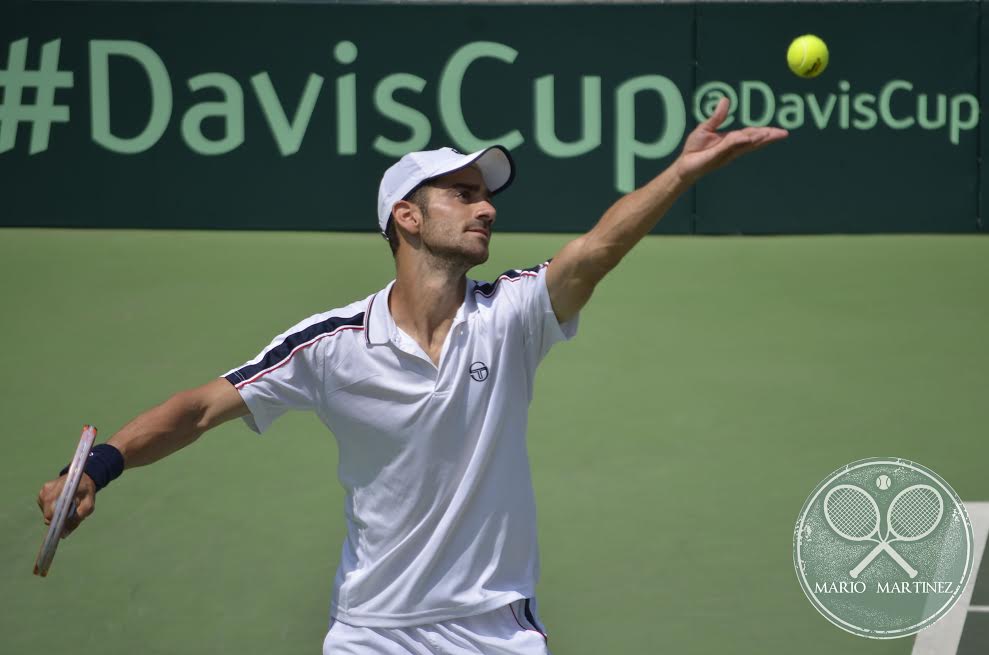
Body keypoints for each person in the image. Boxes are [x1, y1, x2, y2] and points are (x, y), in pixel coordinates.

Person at [37, 98, 786, 654]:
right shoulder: (331, 344)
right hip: (371, 633)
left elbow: (592, 252)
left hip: (497, 630)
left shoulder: (512, 313)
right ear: (407, 216)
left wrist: (680, 174)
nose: (486, 207)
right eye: (463, 193)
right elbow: (201, 407)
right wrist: (97, 467)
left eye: (486, 194)